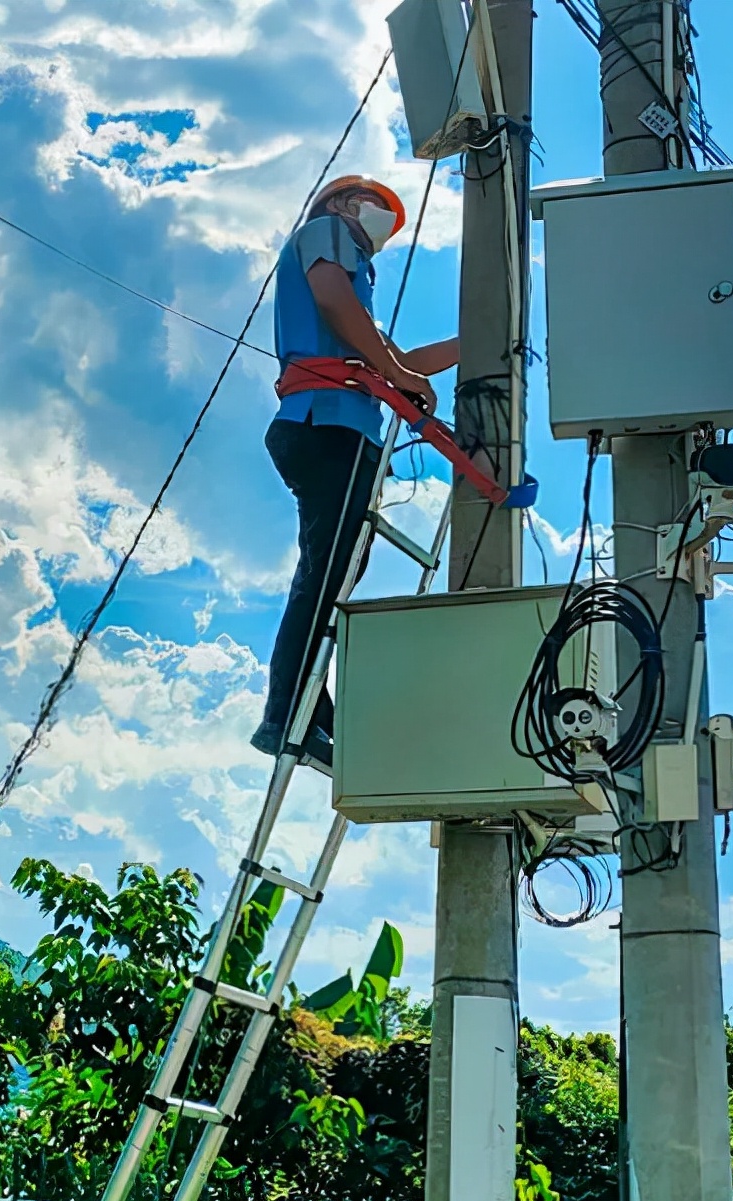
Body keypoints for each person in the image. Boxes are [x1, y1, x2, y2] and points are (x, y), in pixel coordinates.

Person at [251, 175, 460, 764]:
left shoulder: (356, 313)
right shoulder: (327, 231)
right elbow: (333, 299)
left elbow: (397, 360)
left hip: (335, 430)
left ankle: (306, 708)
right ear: (344, 204)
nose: (380, 231)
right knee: (325, 578)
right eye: (378, 213)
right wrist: (399, 376)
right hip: (326, 424)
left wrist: (479, 342)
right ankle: (288, 714)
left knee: (329, 574)